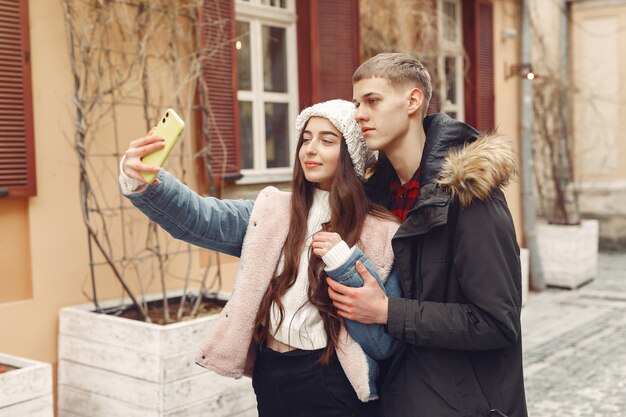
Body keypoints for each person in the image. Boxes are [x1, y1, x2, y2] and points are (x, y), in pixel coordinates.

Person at [119, 99, 402, 417]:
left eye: (327, 140)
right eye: (306, 138)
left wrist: (345, 264)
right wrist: (146, 180)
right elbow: (203, 218)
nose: (310, 149)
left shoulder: (382, 231)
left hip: (331, 381)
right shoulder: (272, 209)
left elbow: (383, 342)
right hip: (271, 372)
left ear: (352, 152)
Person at [325, 52, 528, 417]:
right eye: (356, 104)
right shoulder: (375, 199)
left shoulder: (469, 194)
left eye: (372, 101)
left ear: (413, 101)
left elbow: (497, 323)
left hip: (466, 407)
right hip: (396, 399)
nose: (358, 114)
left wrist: (388, 311)